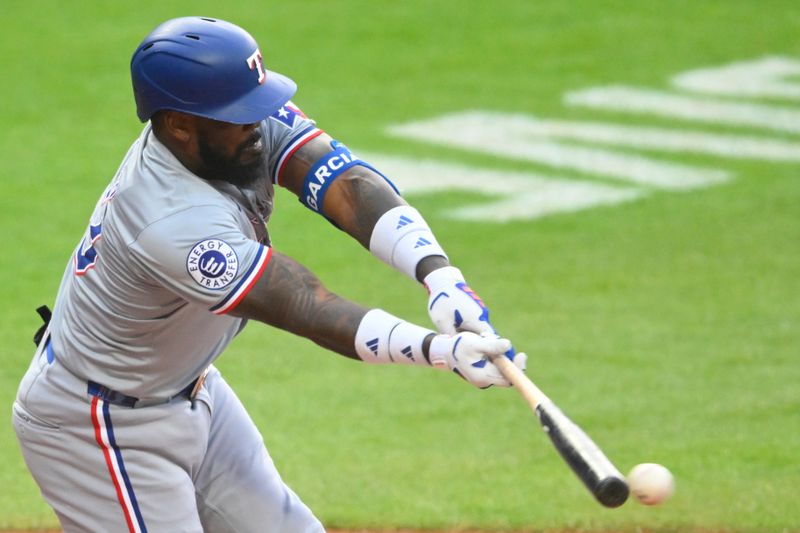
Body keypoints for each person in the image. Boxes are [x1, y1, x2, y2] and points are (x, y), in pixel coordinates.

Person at [12, 16, 526, 533]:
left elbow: (343, 183)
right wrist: (438, 351)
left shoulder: (234, 122)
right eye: (238, 115)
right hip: (100, 424)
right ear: (178, 124)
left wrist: (440, 277)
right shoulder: (168, 220)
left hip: (190, 388)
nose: (257, 123)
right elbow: (303, 303)